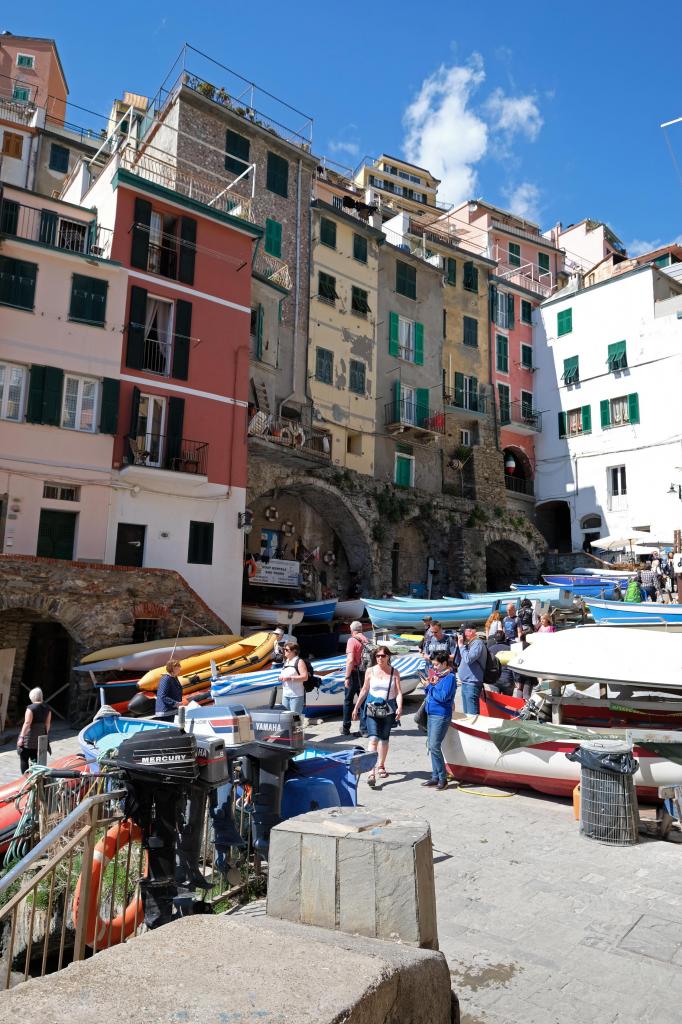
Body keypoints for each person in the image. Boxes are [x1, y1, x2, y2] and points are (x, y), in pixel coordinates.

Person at [353, 646, 402, 786]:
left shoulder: (394, 672)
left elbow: (398, 692)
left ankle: (381, 765)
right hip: (371, 709)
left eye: (383, 656)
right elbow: (364, 690)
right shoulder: (370, 671)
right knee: (373, 738)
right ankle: (371, 771)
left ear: (388, 657)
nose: (380, 658)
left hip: (388, 709)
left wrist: (400, 707)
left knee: (384, 739)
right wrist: (356, 707)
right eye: (378, 656)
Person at [422, 652, 456, 791]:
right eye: (433, 664)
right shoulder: (437, 676)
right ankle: (435, 776)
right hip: (432, 713)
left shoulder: (450, 678)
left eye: (436, 664)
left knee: (434, 745)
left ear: (444, 664)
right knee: (431, 746)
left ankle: (443, 778)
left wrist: (430, 686)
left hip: (440, 715)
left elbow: (442, 697)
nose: (434, 667)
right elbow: (431, 693)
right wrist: (428, 686)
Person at [343, 620, 368, 737]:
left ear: (351, 630)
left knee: (348, 701)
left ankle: (345, 728)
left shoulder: (352, 640)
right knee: (363, 700)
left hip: (354, 673)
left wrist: (347, 677)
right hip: (365, 673)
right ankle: (364, 729)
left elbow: (350, 660)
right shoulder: (366, 640)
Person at [17, 687, 51, 773]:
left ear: (32, 697)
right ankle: (35, 777)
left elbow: (27, 723)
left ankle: (26, 778)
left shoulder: (31, 708)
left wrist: (21, 737)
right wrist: (45, 735)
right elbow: (47, 724)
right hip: (40, 738)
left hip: (29, 738)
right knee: (35, 759)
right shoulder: (47, 708)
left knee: (24, 759)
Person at [456, 626, 487, 714]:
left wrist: (461, 646)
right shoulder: (470, 644)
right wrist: (459, 645)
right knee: (467, 714)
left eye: (464, 632)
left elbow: (468, 659)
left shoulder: (477, 643)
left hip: (472, 684)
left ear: (472, 632)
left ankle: (474, 727)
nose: (463, 634)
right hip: (466, 683)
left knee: (472, 715)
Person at [278, 641, 308, 715]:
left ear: (294, 651)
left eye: (286, 650)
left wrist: (290, 678)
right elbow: (283, 674)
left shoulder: (299, 661)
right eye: (284, 649)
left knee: (295, 719)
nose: (284, 651)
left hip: (296, 695)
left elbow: (305, 677)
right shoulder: (287, 661)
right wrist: (280, 678)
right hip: (285, 695)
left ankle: (297, 726)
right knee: (285, 717)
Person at [487, 630, 514, 695]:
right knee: (508, 701)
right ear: (505, 638)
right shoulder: (510, 649)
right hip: (507, 679)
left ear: (494, 639)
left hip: (494, 680)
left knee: (496, 702)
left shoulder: (490, 650)